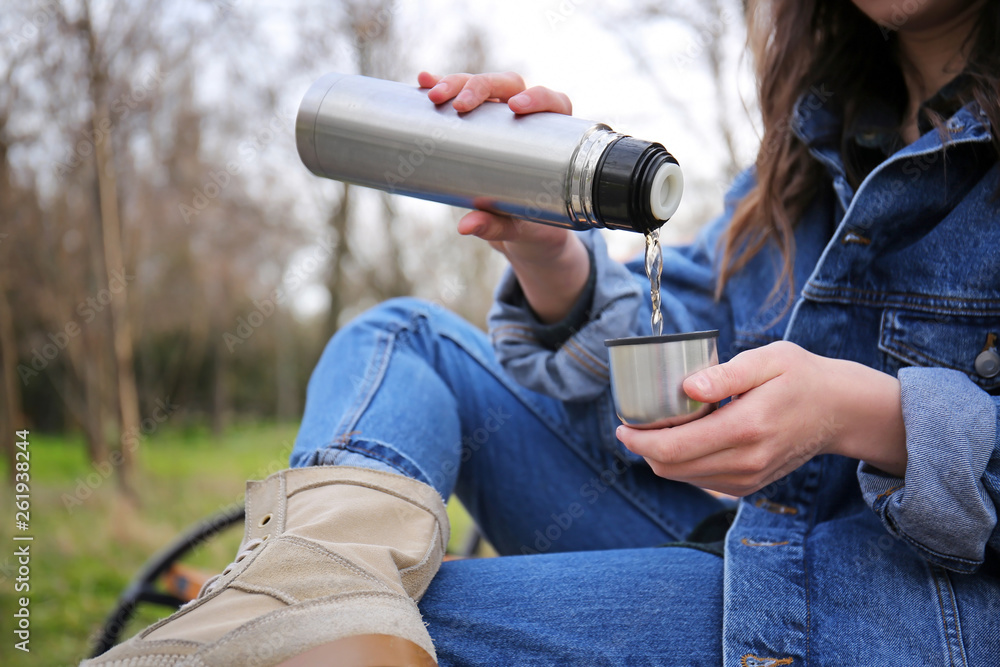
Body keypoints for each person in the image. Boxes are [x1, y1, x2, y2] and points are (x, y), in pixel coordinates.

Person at [86, 0, 1000, 664]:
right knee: (402, 338)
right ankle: (308, 588)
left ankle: (279, 617)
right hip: (732, 535)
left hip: (893, 612)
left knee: (367, 634)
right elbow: (683, 335)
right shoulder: (806, 157)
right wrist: (556, 261)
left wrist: (873, 417)